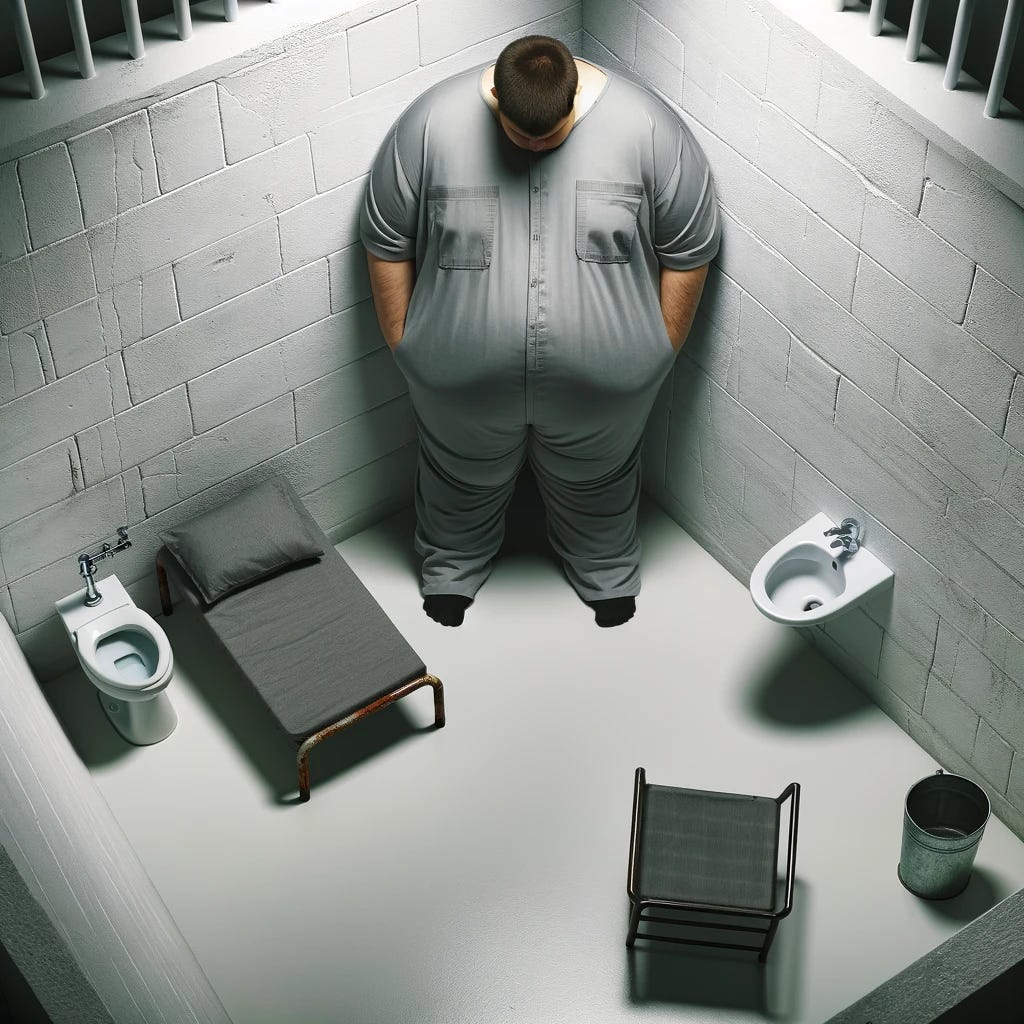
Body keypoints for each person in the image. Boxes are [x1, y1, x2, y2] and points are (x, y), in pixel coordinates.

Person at [359, 35, 719, 628]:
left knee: (598, 481)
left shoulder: (650, 130)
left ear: (575, 93)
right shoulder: (428, 125)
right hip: (457, 391)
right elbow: (385, 239)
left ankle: (606, 572)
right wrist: (407, 345)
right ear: (495, 95)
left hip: (605, 397)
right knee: (458, 478)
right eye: (520, 134)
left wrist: (658, 350)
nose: (534, 145)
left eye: (550, 134)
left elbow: (691, 244)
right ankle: (450, 568)